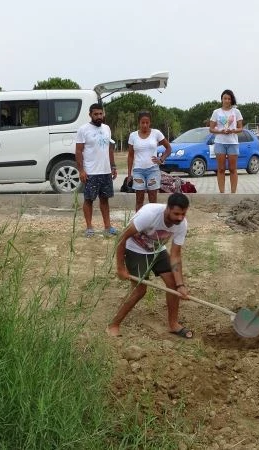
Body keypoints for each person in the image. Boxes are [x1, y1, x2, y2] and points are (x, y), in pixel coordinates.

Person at [107, 192, 192, 339]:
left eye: (183, 214)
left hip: (157, 249)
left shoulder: (181, 224)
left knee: (173, 285)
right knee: (139, 290)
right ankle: (113, 325)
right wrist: (120, 268)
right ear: (167, 208)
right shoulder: (150, 214)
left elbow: (175, 255)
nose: (180, 218)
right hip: (134, 248)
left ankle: (173, 324)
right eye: (176, 214)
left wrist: (180, 285)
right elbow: (122, 238)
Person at [76, 103, 118, 237]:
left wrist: (113, 166)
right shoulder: (83, 130)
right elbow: (78, 151)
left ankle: (108, 227)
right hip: (91, 172)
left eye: (101, 114)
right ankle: (89, 227)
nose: (99, 116)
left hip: (105, 171)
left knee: (105, 200)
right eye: (96, 114)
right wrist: (81, 170)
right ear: (90, 115)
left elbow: (109, 149)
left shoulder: (107, 128)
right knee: (89, 199)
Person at [127, 111, 172, 211]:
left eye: (147, 122)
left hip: (153, 170)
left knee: (153, 200)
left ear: (150, 122)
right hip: (138, 171)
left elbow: (168, 148)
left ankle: (153, 220)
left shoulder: (156, 133)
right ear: (139, 122)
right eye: (142, 122)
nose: (145, 125)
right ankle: (139, 220)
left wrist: (161, 159)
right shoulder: (133, 136)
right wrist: (129, 174)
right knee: (139, 200)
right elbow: (130, 155)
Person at [209, 89, 244, 193]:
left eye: (229, 98)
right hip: (220, 142)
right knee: (221, 169)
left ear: (231, 100)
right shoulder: (216, 112)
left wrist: (233, 130)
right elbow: (211, 129)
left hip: (233, 143)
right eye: (225, 98)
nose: (227, 100)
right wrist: (220, 131)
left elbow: (240, 128)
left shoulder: (236, 112)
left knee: (233, 169)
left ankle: (233, 193)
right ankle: (222, 192)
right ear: (222, 99)